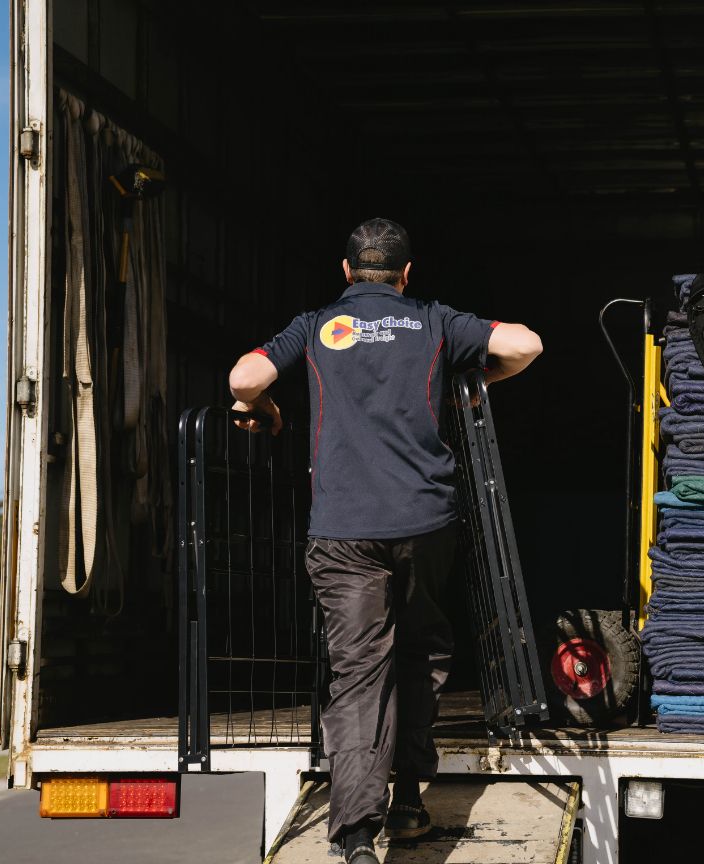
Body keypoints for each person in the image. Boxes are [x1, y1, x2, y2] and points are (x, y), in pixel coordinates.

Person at [227, 218, 542, 864]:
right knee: (419, 654)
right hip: (423, 523)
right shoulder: (432, 321)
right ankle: (408, 799)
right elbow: (525, 344)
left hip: (343, 532)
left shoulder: (315, 326)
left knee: (358, 674)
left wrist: (268, 409)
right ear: (406, 273)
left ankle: (355, 833)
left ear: (346, 271)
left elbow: (243, 380)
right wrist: (471, 385)